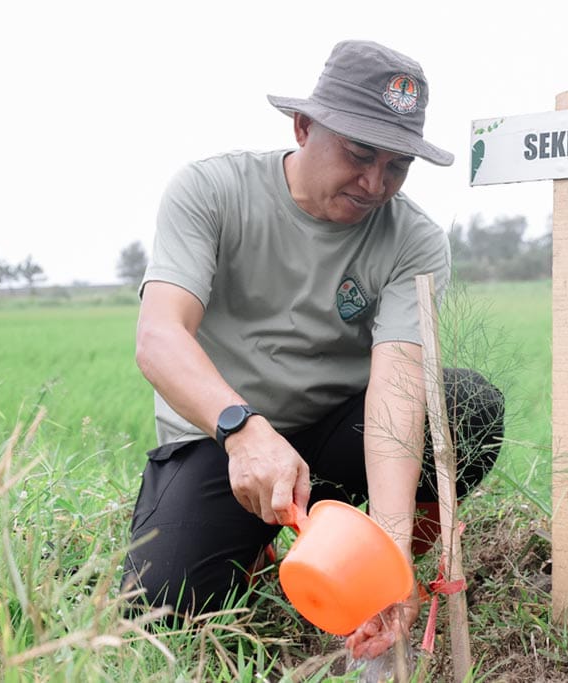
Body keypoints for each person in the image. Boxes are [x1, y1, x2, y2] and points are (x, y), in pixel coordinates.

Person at [121, 39, 504, 660]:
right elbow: (159, 337)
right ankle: (257, 551)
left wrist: (390, 551)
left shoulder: (415, 241)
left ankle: (372, 578)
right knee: (163, 613)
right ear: (304, 127)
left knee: (466, 405)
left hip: (335, 436)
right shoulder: (212, 190)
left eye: (398, 165)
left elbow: (399, 388)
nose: (376, 182)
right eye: (360, 154)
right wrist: (241, 430)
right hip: (221, 444)